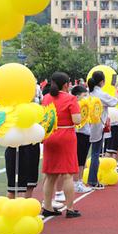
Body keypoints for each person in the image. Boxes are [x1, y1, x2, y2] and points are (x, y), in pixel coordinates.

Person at [41, 72, 82, 218]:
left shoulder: (46, 98)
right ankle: (70, 208)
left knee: (50, 175)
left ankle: (47, 206)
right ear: (66, 84)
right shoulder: (70, 98)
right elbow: (77, 120)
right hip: (65, 137)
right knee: (67, 174)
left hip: (50, 136)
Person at [87, 70, 118, 190]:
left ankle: (81, 180)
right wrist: (116, 89)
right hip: (97, 126)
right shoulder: (101, 94)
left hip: (86, 126)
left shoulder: (89, 93)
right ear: (102, 81)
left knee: (85, 154)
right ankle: (93, 180)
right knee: (96, 153)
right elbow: (115, 102)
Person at [71, 85, 92, 194]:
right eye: (84, 95)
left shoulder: (87, 106)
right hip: (79, 134)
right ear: (77, 96)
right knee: (78, 159)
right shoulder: (75, 106)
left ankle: (80, 181)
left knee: (83, 159)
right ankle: (76, 183)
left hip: (86, 134)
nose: (86, 98)